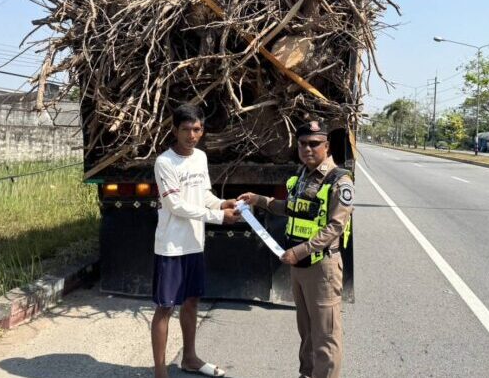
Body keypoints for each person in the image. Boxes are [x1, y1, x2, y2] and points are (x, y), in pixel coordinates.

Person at [239, 119, 354, 378]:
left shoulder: (339, 180)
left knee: (326, 336)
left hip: (321, 266)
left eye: (314, 144)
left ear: (326, 146)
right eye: (303, 144)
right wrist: (261, 200)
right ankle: (307, 373)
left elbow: (335, 227)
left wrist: (299, 251)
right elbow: (291, 208)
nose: (308, 149)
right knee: (307, 331)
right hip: (299, 267)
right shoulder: (302, 174)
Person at [151, 104, 239, 378]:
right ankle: (160, 371)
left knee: (191, 302)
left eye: (197, 129)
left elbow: (203, 194)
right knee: (165, 307)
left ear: (202, 130)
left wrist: (223, 202)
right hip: (171, 246)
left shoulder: (200, 157)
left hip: (194, 244)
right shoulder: (165, 162)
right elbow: (175, 205)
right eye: (186, 129)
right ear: (175, 130)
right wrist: (217, 216)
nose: (192, 135)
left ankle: (190, 358)